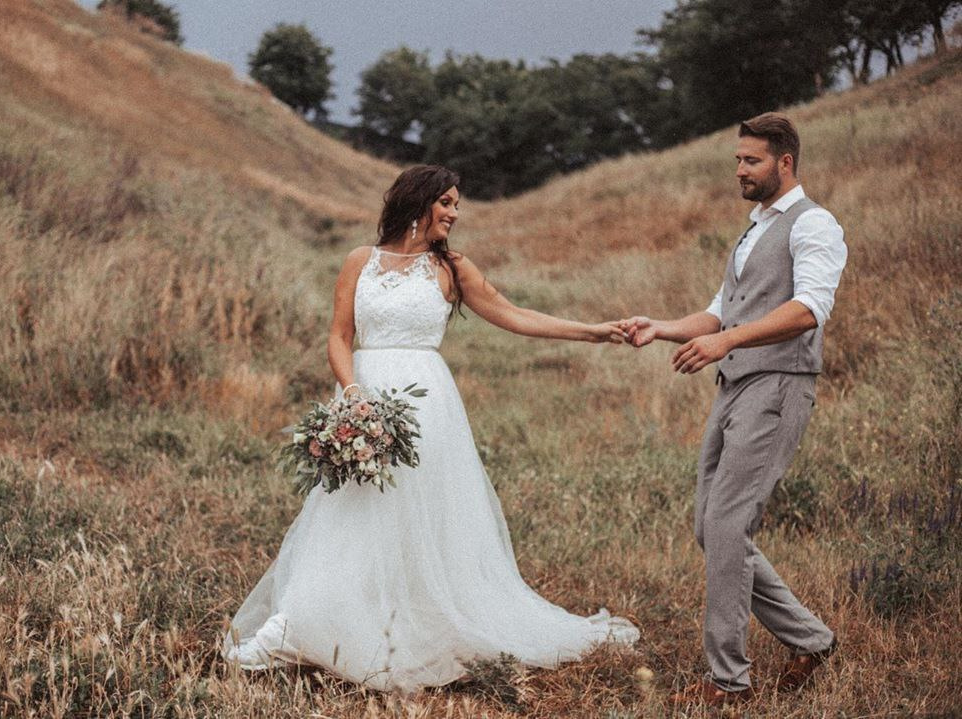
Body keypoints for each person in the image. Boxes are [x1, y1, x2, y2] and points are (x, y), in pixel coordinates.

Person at [222, 165, 639, 692]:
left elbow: (513, 314)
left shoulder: (452, 267)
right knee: (348, 513)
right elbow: (338, 336)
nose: (454, 213)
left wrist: (593, 332)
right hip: (364, 394)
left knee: (420, 514)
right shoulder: (359, 261)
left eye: (457, 204)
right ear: (418, 202)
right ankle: (302, 621)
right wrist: (352, 396)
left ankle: (411, 622)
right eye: (446, 202)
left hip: (426, 406)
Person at [622, 112, 846, 706]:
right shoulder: (752, 230)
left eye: (751, 161)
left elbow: (808, 309)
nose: (740, 170)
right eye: (737, 161)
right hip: (734, 388)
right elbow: (722, 311)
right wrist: (663, 328)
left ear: (785, 163)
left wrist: (726, 342)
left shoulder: (814, 224)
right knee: (709, 527)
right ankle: (813, 640)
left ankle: (729, 683)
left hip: (776, 387)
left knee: (726, 526)